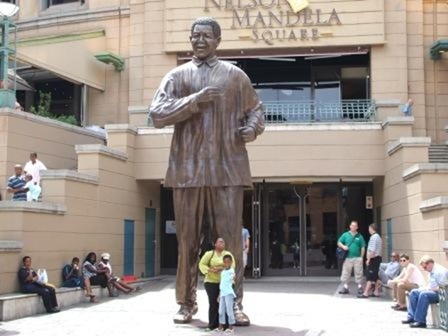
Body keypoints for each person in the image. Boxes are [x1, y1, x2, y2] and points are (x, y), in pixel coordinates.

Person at [149, 17, 264, 325]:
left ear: (217, 40)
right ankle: (186, 303)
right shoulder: (177, 75)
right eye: (195, 36)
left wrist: (251, 129)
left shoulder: (235, 76)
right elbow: (156, 114)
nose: (199, 41)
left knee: (231, 243)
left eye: (206, 36)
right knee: (187, 243)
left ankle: (234, 303)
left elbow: (257, 110)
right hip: (187, 171)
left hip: (227, 170)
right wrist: (194, 101)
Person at [199, 238, 235, 331]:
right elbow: (202, 264)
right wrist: (209, 270)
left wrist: (219, 269)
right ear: (215, 244)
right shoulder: (209, 254)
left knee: (227, 305)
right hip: (211, 282)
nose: (222, 243)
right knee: (213, 304)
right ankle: (212, 325)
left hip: (225, 284)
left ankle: (227, 326)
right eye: (219, 241)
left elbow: (232, 266)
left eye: (223, 241)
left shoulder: (228, 254)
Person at [402, 256, 448, 328]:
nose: (425, 270)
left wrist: (432, 289)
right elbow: (430, 285)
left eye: (425, 267)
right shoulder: (431, 271)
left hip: (441, 294)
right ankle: (412, 317)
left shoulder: (441, 271)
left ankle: (421, 321)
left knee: (424, 295)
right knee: (414, 292)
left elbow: (444, 287)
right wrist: (426, 288)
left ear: (429, 264)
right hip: (431, 290)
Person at [337, 221, 366, 295]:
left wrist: (361, 257)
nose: (353, 227)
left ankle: (359, 287)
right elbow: (339, 242)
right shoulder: (345, 235)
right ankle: (345, 287)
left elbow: (363, 246)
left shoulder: (359, 236)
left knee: (359, 272)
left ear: (357, 227)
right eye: (352, 225)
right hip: (347, 257)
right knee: (346, 272)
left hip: (357, 258)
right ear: (350, 226)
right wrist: (343, 246)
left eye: (355, 226)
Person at [358, 223, 382, 298]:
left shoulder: (374, 237)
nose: (368, 230)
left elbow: (373, 250)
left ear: (372, 229)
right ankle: (376, 292)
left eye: (369, 228)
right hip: (377, 258)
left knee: (369, 276)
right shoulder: (378, 237)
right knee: (375, 276)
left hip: (373, 259)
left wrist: (368, 259)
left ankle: (365, 293)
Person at [217, 254, 236, 333]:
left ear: (231, 262)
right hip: (222, 293)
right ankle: (221, 326)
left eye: (228, 262)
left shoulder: (231, 271)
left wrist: (233, 278)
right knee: (221, 311)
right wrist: (219, 294)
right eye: (225, 262)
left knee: (229, 310)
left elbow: (232, 278)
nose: (226, 263)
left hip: (229, 293)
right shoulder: (223, 272)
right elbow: (222, 284)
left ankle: (231, 327)